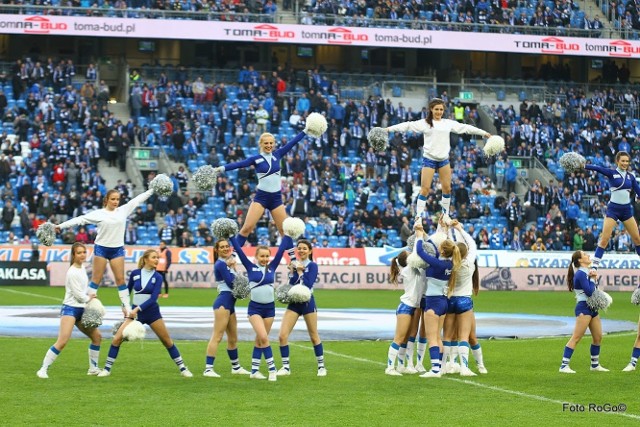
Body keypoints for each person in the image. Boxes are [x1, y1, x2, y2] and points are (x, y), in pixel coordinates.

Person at [385, 98, 490, 223]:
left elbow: (465, 127)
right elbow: (407, 125)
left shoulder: (447, 123)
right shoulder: (424, 123)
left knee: (447, 189)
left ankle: (445, 215)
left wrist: (484, 133)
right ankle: (418, 217)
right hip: (429, 160)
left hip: (444, 160)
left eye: (441, 109)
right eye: (436, 109)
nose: (439, 112)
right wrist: (387, 129)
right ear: (431, 109)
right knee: (425, 189)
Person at [56, 188, 155, 316]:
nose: (115, 202)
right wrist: (60, 226)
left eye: (118, 199)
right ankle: (87, 308)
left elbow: (137, 200)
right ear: (106, 200)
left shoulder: (123, 210)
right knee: (96, 279)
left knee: (120, 280)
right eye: (113, 199)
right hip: (101, 248)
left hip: (117, 249)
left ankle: (127, 309)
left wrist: (152, 189)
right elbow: (80, 219)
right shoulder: (99, 213)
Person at [98, 249, 193, 377]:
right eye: (154, 257)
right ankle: (107, 369)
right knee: (117, 339)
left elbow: (153, 298)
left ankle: (183, 368)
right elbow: (127, 291)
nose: (157, 260)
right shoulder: (135, 273)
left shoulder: (158, 277)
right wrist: (124, 306)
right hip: (134, 314)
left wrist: (137, 309)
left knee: (167, 341)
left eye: (158, 257)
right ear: (146, 259)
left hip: (152, 313)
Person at [215, 131, 307, 259]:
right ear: (261, 144)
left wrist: (305, 131)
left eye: (271, 143)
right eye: (266, 143)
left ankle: (293, 260)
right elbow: (239, 164)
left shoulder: (278, 154)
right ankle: (232, 258)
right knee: (247, 228)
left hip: (276, 199)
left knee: (284, 231)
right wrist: (221, 169)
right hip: (261, 198)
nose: (269, 145)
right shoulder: (256, 159)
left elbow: (293, 142)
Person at [230, 233, 294, 381]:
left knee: (260, 340)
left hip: (270, 309)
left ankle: (254, 370)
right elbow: (239, 251)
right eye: (262, 256)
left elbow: (281, 250)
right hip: (255, 309)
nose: (265, 259)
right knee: (264, 337)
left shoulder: (272, 267)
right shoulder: (250, 267)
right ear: (256, 257)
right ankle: (272, 369)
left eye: (267, 257)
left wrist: (287, 234)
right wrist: (232, 236)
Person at [36, 243, 102, 378]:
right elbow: (78, 295)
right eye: (79, 253)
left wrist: (88, 297)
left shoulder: (82, 268)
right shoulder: (72, 272)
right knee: (63, 341)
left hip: (82, 309)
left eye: (84, 252)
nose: (82, 255)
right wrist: (89, 298)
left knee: (97, 337)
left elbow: (83, 292)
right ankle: (43, 369)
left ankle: (93, 368)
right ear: (73, 255)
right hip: (70, 309)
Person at [414, 220, 462, 378]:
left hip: (433, 303)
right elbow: (433, 250)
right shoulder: (448, 264)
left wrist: (419, 236)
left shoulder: (438, 264)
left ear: (442, 251)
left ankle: (435, 369)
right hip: (443, 302)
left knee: (432, 337)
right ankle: (439, 367)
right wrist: (428, 233)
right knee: (437, 337)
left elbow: (421, 252)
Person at [277, 239, 327, 377]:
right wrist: (293, 271)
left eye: (304, 248)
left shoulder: (313, 265)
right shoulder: (295, 264)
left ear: (310, 251)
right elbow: (291, 284)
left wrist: (299, 271)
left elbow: (308, 284)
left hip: (307, 302)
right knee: (282, 335)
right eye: (299, 248)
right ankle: (286, 367)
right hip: (294, 303)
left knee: (313, 335)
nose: (301, 251)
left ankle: (321, 367)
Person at [582, 152, 640, 271]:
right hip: (613, 210)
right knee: (604, 239)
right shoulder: (612, 173)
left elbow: (638, 191)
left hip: (626, 210)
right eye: (622, 161)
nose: (625, 163)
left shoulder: (631, 176)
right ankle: (594, 267)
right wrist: (583, 166)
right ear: (617, 161)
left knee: (637, 239)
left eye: (627, 161)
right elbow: (598, 168)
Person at [203, 239, 250, 377]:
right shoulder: (220, 264)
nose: (225, 248)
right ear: (216, 250)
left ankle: (236, 367)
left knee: (233, 338)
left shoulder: (227, 264)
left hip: (230, 306)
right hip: (223, 303)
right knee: (217, 336)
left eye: (227, 246)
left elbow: (237, 279)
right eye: (222, 247)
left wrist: (234, 267)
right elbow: (231, 283)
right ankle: (208, 369)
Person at [558, 250, 609, 374]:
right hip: (584, 308)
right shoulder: (581, 273)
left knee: (598, 337)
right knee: (576, 337)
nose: (588, 256)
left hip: (592, 308)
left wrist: (592, 278)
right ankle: (564, 366)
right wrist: (592, 279)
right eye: (585, 255)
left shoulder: (586, 271)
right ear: (580, 260)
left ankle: (595, 365)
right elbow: (589, 292)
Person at [441, 221, 479, 376]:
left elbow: (448, 248)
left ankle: (443, 366)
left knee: (447, 336)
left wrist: (447, 229)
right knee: (463, 336)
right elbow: (472, 244)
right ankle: (464, 367)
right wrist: (459, 229)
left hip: (450, 300)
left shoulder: (449, 263)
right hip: (464, 301)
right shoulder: (469, 263)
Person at [385, 249, 427, 376]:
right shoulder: (408, 270)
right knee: (399, 338)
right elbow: (418, 254)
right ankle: (390, 367)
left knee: (411, 336)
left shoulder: (415, 268)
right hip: (406, 306)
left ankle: (405, 365)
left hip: (416, 305)